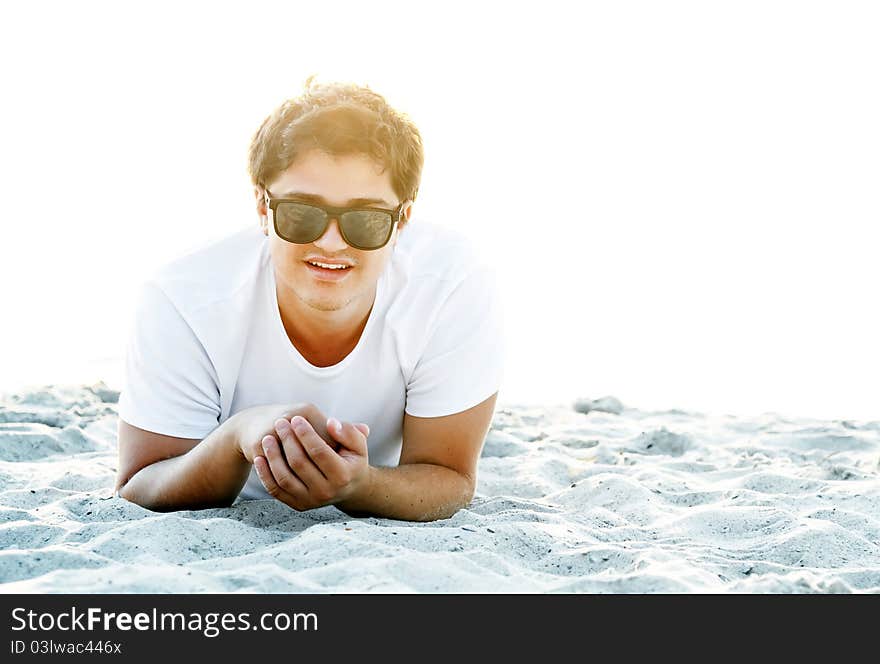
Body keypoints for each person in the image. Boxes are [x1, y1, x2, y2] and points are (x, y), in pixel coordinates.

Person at [114, 77, 505, 522]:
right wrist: (239, 436)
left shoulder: (452, 287)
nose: (331, 242)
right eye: (302, 213)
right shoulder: (183, 297)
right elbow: (140, 482)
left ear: (402, 221)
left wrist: (361, 485)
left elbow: (450, 478)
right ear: (263, 208)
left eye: (365, 219)